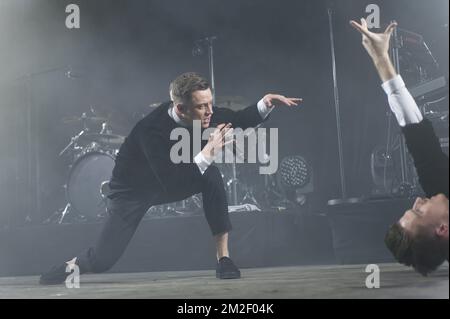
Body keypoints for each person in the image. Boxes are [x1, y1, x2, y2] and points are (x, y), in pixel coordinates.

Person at [39, 72, 301, 284]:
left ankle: (224, 259)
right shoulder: (151, 131)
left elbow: (237, 118)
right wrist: (208, 152)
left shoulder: (203, 112)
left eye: (210, 103)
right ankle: (68, 267)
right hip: (133, 192)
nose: (210, 111)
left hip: (170, 181)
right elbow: (172, 180)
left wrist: (265, 103)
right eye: (202, 106)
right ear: (181, 108)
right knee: (103, 260)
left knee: (210, 174)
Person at [350, 18, 449, 275]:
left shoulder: (437, 186)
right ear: (442, 229)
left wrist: (381, 59)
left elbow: (413, 126)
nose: (417, 200)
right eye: (418, 212)